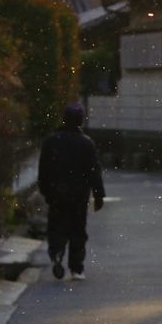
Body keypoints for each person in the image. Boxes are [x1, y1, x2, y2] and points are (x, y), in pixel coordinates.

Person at [38, 102, 105, 280]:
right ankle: (77, 268)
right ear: (81, 121)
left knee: (57, 227)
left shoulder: (51, 141)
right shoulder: (87, 143)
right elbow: (94, 171)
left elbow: (43, 169)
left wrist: (45, 190)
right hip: (79, 196)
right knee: (78, 230)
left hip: (56, 194)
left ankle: (57, 253)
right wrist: (99, 195)